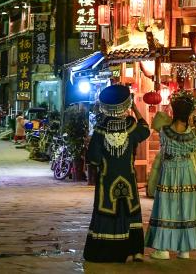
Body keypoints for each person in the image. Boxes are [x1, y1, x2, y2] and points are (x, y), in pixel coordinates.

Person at [82, 84, 150, 264]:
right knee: (131, 212)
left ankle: (109, 252)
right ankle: (136, 251)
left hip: (107, 180)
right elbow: (146, 129)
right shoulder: (132, 126)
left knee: (107, 213)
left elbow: (94, 159)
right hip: (127, 178)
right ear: (126, 104)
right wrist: (135, 108)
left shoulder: (99, 129)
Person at [146, 90, 196, 259]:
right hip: (188, 170)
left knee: (167, 206)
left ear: (174, 111)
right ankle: (184, 249)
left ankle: (163, 248)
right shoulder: (193, 134)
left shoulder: (165, 131)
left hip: (169, 169)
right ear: (189, 113)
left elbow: (162, 142)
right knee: (187, 207)